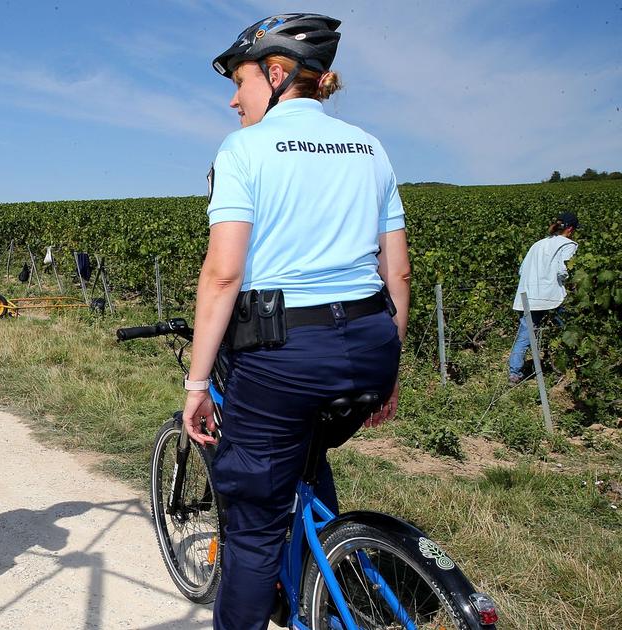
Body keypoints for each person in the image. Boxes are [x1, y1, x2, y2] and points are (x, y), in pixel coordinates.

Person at [183, 15, 411, 630]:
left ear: (277, 74)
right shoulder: (370, 147)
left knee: (253, 527)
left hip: (286, 352)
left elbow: (223, 276)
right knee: (307, 456)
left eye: (240, 81)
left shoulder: (244, 149)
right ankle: (326, 587)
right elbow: (399, 275)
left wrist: (197, 386)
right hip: (370, 343)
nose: (234, 98)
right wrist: (390, 370)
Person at [508, 212, 578, 384]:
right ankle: (573, 366)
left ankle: (514, 373)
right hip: (553, 296)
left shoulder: (537, 244)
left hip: (529, 296)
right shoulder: (568, 244)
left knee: (525, 334)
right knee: (568, 329)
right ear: (570, 229)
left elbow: (521, 270)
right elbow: (564, 270)